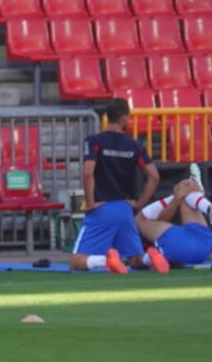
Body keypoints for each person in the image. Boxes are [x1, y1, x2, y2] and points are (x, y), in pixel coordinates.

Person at [66, 99, 165, 274]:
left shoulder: (94, 141)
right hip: (125, 209)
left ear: (107, 117)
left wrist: (90, 203)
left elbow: (88, 173)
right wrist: (139, 203)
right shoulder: (135, 146)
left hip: (102, 208)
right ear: (124, 119)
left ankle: (108, 260)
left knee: (76, 261)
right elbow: (154, 176)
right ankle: (151, 257)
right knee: (135, 258)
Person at [135, 177, 212, 268]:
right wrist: (178, 196)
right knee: (190, 193)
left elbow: (142, 218)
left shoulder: (182, 201)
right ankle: (208, 207)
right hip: (204, 247)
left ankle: (148, 258)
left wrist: (178, 195)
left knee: (139, 219)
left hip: (177, 246)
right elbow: (161, 220)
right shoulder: (183, 201)